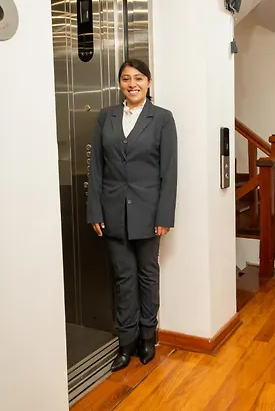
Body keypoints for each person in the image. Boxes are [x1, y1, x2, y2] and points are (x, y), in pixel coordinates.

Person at [87, 59, 177, 372]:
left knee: (147, 275)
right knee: (124, 278)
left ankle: (147, 338)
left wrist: (164, 215)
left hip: (149, 213)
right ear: (120, 84)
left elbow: (169, 171)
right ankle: (126, 343)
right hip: (112, 212)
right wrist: (95, 210)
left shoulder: (162, 118)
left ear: (149, 82)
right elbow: (96, 168)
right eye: (126, 79)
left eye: (138, 78)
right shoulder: (106, 117)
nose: (132, 84)